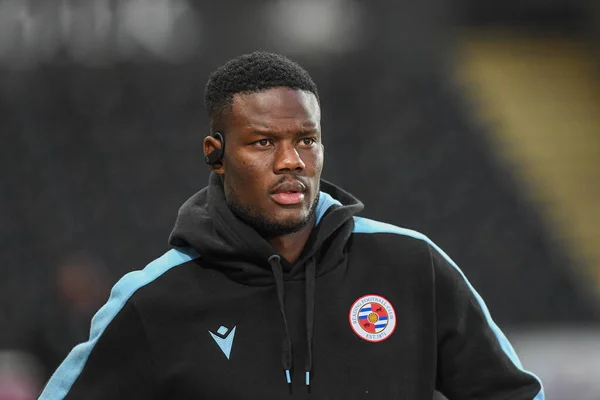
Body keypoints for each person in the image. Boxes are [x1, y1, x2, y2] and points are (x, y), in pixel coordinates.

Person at [39, 51, 544, 399]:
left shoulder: (412, 267)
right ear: (216, 155)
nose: (292, 161)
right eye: (263, 143)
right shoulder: (154, 301)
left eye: (307, 139)